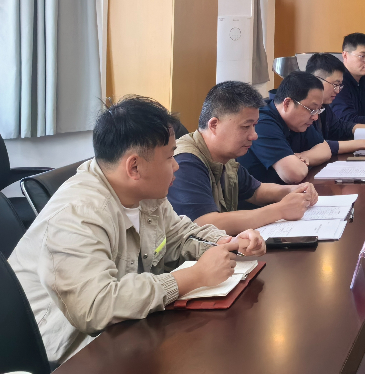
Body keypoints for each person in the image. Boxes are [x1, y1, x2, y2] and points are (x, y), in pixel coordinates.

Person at [8, 96, 265, 366]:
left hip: (123, 331)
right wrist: (193, 277)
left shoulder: (145, 193)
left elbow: (178, 236)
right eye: (170, 157)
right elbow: (97, 306)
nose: (176, 165)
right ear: (134, 167)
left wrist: (228, 243)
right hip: (65, 353)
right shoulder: (78, 213)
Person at [168, 81, 322, 232]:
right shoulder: (185, 161)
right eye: (246, 126)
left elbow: (256, 190)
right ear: (214, 125)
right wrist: (279, 211)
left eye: (254, 126)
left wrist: (294, 190)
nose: (254, 135)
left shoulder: (225, 157)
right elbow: (204, 222)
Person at [237, 71, 333, 184]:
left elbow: (325, 150)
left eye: (318, 110)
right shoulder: (261, 123)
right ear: (287, 103)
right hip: (261, 195)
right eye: (312, 109)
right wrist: (299, 163)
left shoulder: (299, 123)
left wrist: (302, 157)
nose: (315, 117)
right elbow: (294, 174)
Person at [304, 53, 365, 155]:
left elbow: (340, 127)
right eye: (335, 85)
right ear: (316, 80)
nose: (337, 91)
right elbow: (316, 145)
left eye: (340, 86)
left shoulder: (324, 106)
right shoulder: (303, 108)